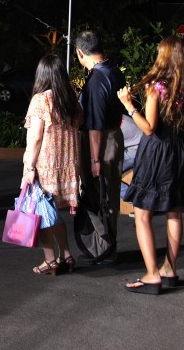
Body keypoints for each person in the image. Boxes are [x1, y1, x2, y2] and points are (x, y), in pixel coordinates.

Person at [117, 35, 184, 293]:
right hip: (178, 150)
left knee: (142, 213)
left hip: (156, 153)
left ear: (164, 56)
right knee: (174, 211)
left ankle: (152, 274)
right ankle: (170, 269)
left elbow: (149, 129)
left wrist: (129, 107)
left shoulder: (155, 86)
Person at [21, 54, 83, 275]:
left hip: (44, 166)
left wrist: (29, 168)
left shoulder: (41, 100)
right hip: (67, 166)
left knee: (43, 212)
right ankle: (66, 255)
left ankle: (50, 261)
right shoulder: (71, 99)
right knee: (52, 212)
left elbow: (36, 137)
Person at [75, 29, 125, 261]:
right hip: (115, 135)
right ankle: (108, 246)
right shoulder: (114, 71)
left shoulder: (96, 79)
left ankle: (104, 247)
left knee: (99, 194)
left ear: (79, 53)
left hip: (101, 142)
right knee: (110, 193)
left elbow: (94, 125)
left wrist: (94, 159)